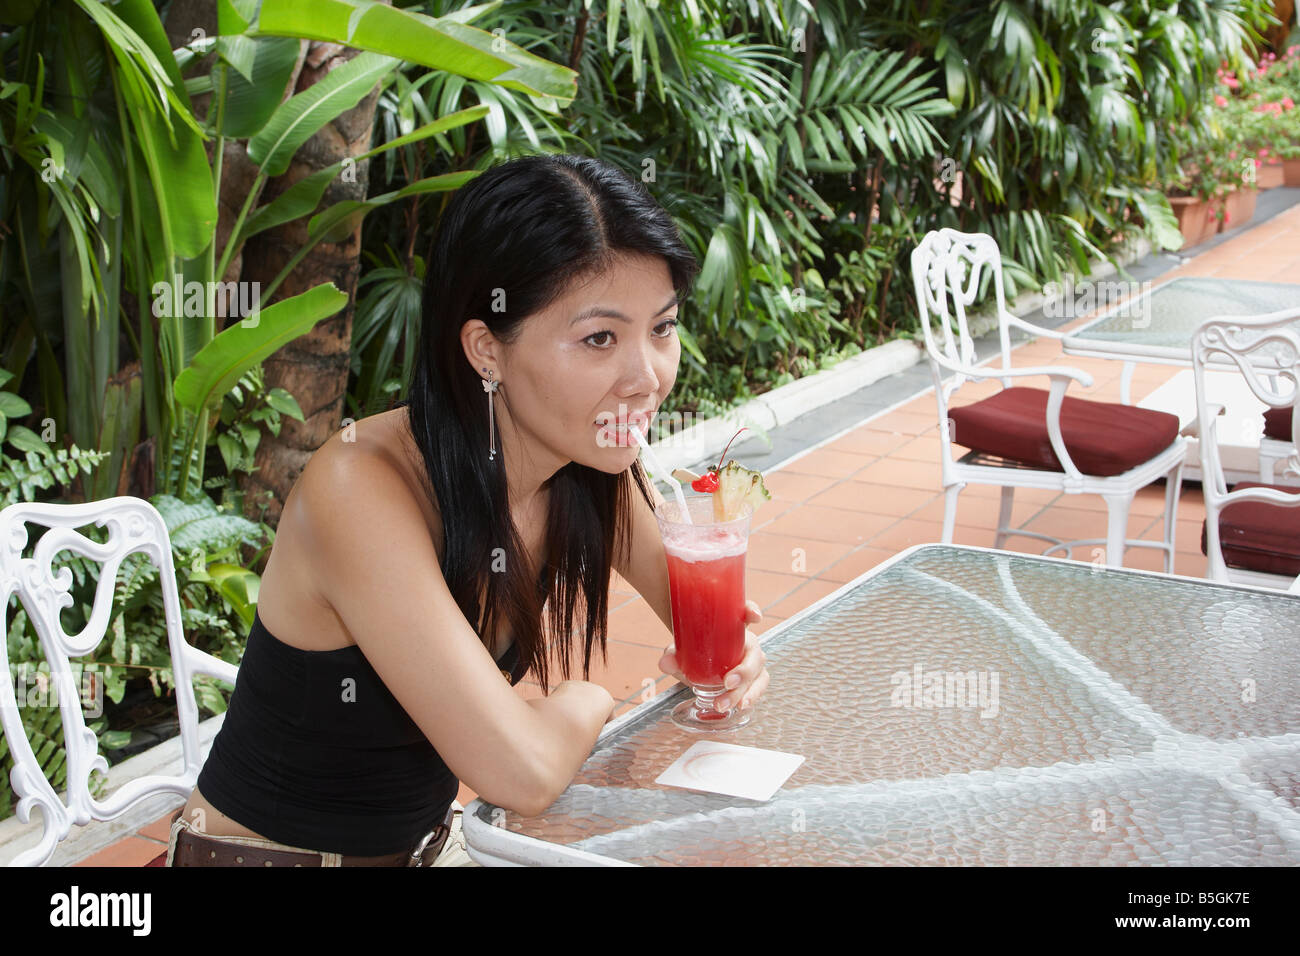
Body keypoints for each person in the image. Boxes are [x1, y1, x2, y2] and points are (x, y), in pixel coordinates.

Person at [168, 153, 770, 867]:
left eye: (662, 328)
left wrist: (736, 662)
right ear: (487, 348)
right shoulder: (360, 487)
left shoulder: (596, 460)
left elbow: (707, 630)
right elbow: (520, 773)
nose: (647, 379)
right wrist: (583, 701)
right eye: (600, 338)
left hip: (431, 849)